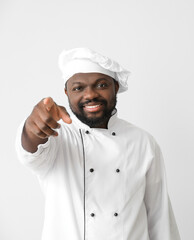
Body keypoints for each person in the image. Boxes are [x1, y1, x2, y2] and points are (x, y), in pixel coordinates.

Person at [15, 48, 181, 240]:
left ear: (115, 87)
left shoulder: (143, 142)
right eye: (78, 88)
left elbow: (159, 217)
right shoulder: (56, 135)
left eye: (101, 85)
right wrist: (32, 128)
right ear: (66, 92)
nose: (90, 95)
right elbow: (31, 153)